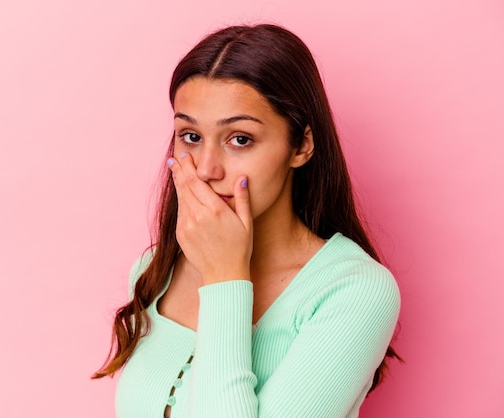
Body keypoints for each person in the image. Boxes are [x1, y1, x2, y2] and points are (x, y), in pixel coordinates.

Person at [93, 23, 401, 418]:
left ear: (301, 145)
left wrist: (225, 277)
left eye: (240, 139)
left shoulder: (354, 292)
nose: (205, 169)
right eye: (190, 136)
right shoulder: (156, 269)